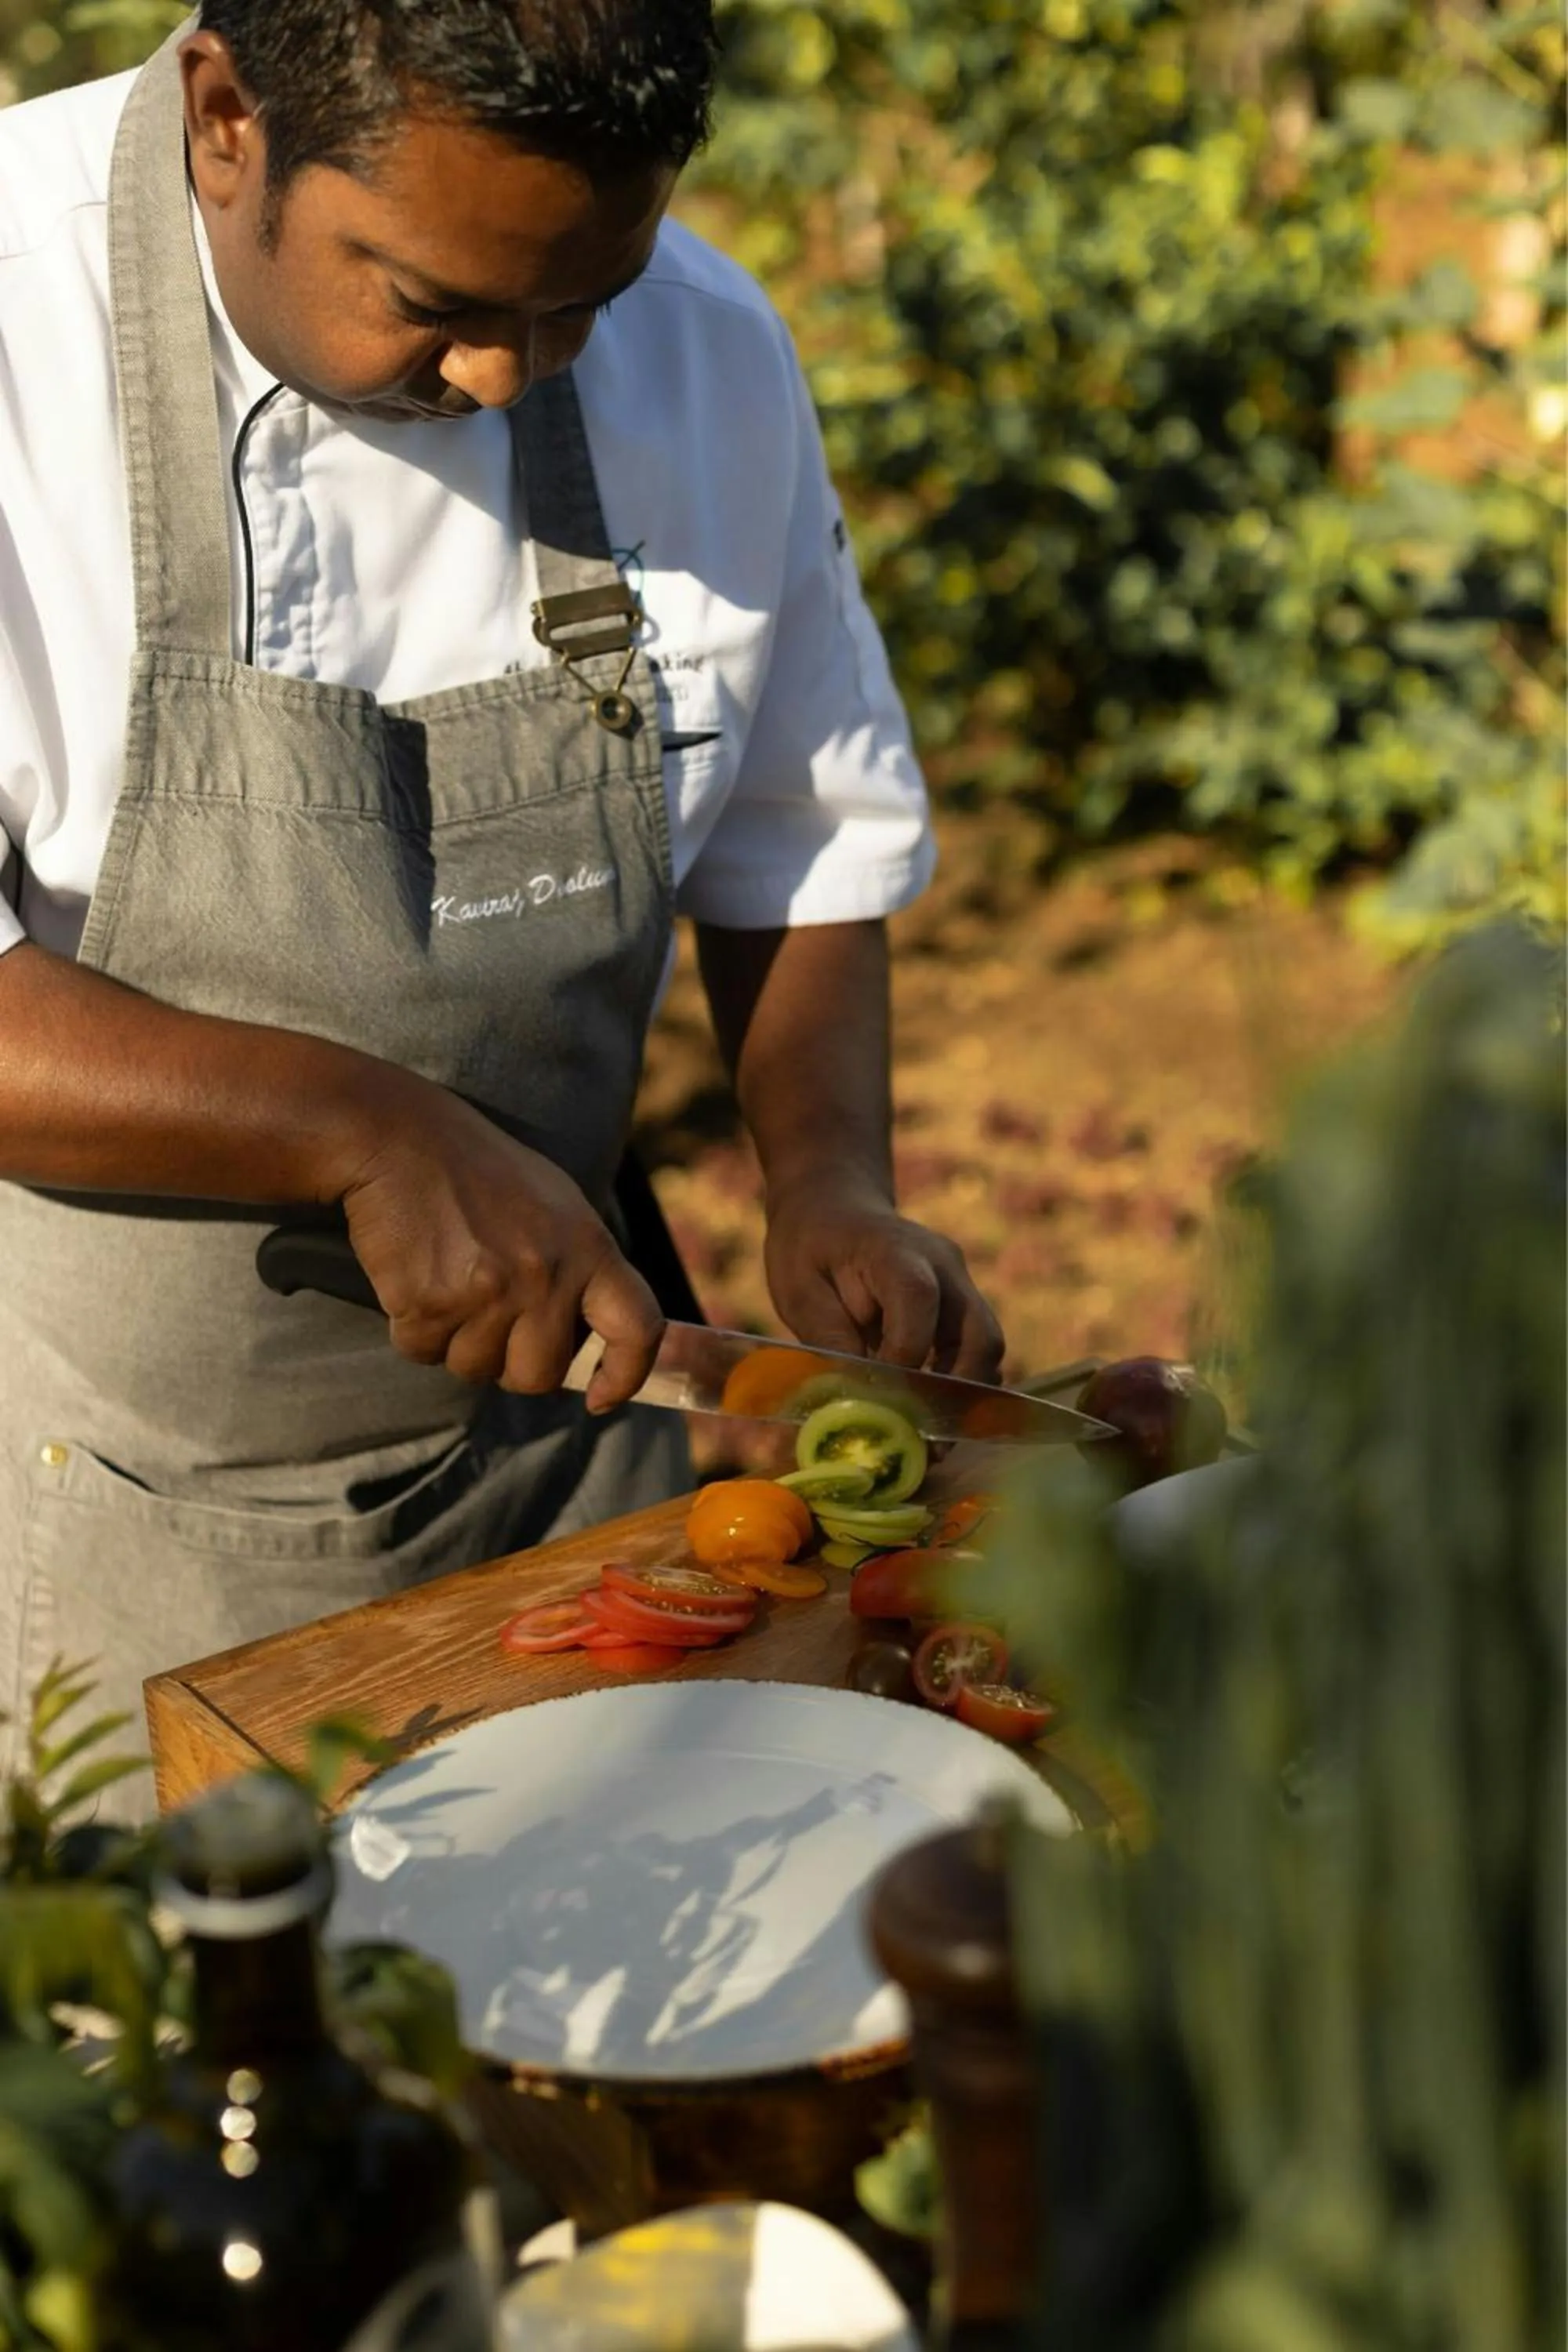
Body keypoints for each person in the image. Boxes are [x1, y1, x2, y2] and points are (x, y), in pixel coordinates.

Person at [0, 1, 1002, 1791]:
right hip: (124, 1489)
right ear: (226, 118)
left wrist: (831, 1178)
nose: (502, 378)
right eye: (432, 305)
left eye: (575, 306)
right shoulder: (20, 329)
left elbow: (797, 828)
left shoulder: (700, 348)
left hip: (580, 1446)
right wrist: (361, 1130)